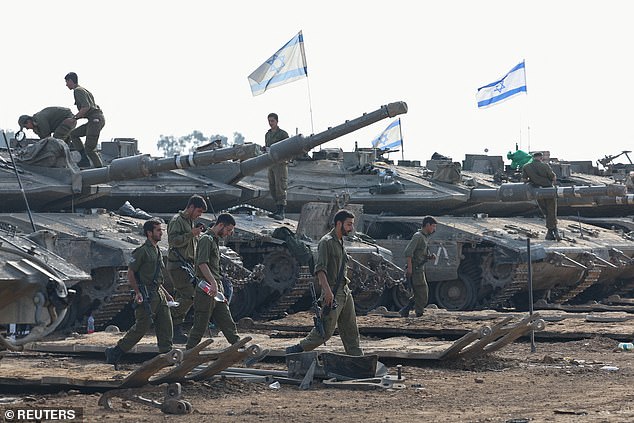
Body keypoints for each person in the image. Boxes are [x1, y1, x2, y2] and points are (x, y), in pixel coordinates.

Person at [285, 210, 363, 356]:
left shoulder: (340, 241)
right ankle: (296, 350)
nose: (351, 228)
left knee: (351, 329)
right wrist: (327, 291)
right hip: (333, 292)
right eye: (348, 224)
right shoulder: (326, 242)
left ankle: (358, 358)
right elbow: (320, 269)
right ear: (338, 223)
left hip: (344, 291)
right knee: (325, 331)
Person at [105, 218, 175, 365]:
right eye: (158, 230)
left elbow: (156, 276)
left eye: (161, 230)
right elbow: (131, 273)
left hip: (158, 293)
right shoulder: (142, 251)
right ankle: (116, 351)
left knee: (166, 325)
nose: (161, 232)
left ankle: (167, 356)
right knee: (142, 325)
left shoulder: (157, 250)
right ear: (149, 233)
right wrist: (137, 292)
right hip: (146, 294)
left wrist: (166, 294)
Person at [186, 213, 241, 350]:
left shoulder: (214, 240)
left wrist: (219, 288)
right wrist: (213, 283)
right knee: (200, 323)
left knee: (226, 320)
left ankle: (239, 347)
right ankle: (188, 353)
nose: (229, 234)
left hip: (216, 289)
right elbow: (201, 263)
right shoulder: (207, 239)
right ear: (220, 225)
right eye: (228, 230)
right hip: (206, 289)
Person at [167, 194, 208, 344]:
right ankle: (166, 318)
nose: (199, 215)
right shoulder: (177, 221)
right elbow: (173, 241)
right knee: (190, 296)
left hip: (188, 265)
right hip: (178, 264)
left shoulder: (191, 222)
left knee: (182, 297)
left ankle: (175, 330)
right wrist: (191, 234)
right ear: (190, 207)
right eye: (198, 211)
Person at [64, 72, 105, 168]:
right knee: (74, 134)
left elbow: (86, 107)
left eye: (67, 82)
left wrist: (74, 118)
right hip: (94, 119)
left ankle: (100, 170)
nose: (66, 85)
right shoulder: (83, 90)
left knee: (90, 148)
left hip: (95, 120)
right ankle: (84, 159)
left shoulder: (78, 90)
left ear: (71, 80)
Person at [399, 216, 437, 317]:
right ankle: (419, 312)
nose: (434, 229)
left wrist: (429, 257)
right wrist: (410, 269)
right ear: (427, 225)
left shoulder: (423, 237)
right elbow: (408, 252)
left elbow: (419, 253)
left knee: (419, 292)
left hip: (419, 268)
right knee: (422, 293)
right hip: (416, 269)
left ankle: (406, 310)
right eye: (433, 226)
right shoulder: (418, 236)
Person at [521, 151, 560, 241]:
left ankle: (551, 231)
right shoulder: (545, 166)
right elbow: (553, 177)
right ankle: (553, 230)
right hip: (549, 190)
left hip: (537, 191)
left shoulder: (526, 166)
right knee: (551, 211)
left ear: (533, 157)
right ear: (541, 157)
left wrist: (532, 180)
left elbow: (523, 179)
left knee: (546, 211)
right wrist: (551, 183)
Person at [264, 112, 290, 220]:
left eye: (272, 121)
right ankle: (276, 209)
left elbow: (288, 147)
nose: (270, 123)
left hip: (281, 163)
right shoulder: (268, 134)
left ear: (277, 121)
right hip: (271, 163)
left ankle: (281, 211)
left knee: (280, 186)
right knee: (272, 186)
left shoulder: (283, 134)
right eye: (269, 121)